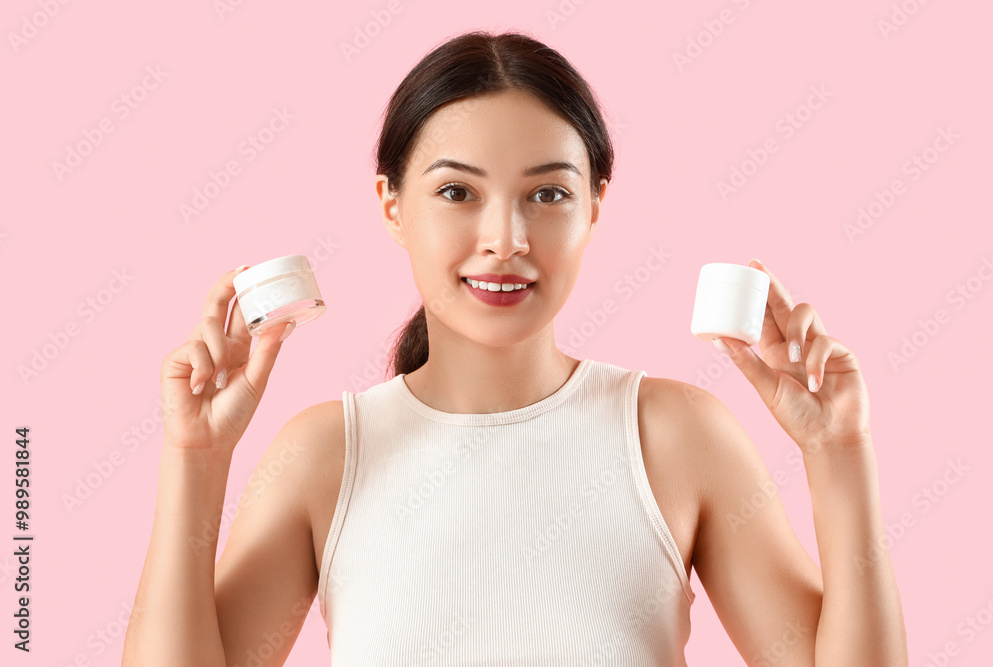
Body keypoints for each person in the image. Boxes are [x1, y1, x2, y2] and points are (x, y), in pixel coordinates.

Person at [122, 30, 908, 666]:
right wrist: (195, 453)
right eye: (457, 192)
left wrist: (838, 446)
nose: (506, 239)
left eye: (549, 193)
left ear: (596, 205)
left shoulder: (676, 434)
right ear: (391, 205)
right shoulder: (326, 452)